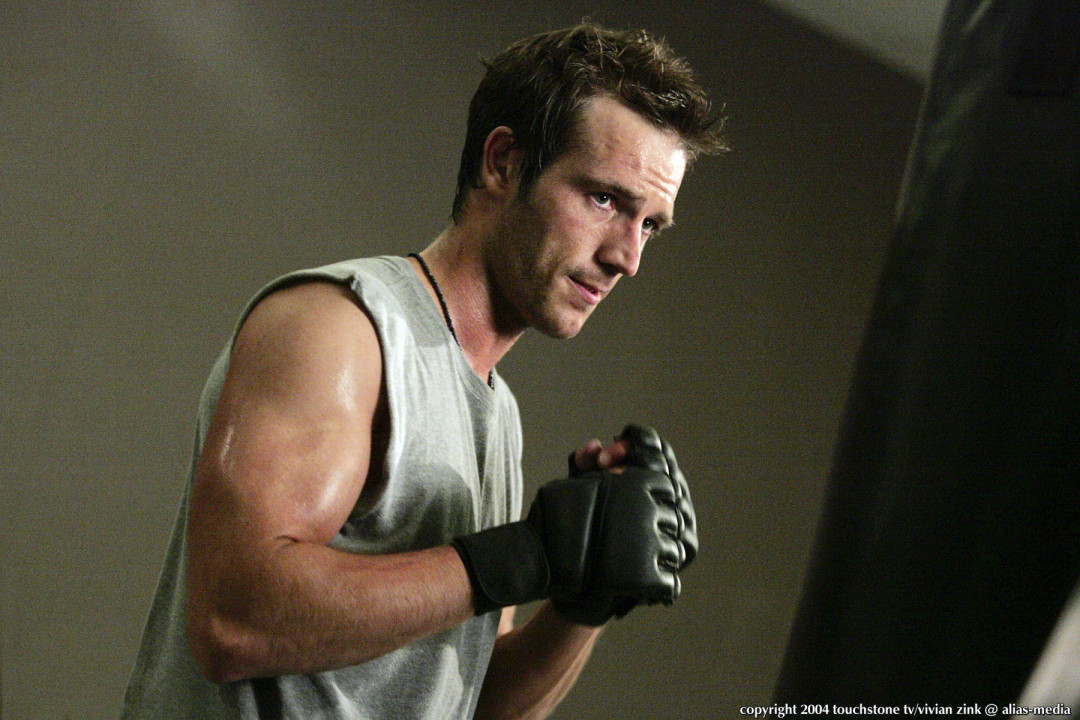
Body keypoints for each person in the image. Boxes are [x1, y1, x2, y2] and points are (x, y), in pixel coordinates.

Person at [121, 21, 725, 720]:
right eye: (605, 199)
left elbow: (476, 703)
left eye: (649, 224)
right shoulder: (342, 328)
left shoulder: (497, 414)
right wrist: (518, 558)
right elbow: (233, 622)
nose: (628, 257)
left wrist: (583, 594)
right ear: (503, 163)